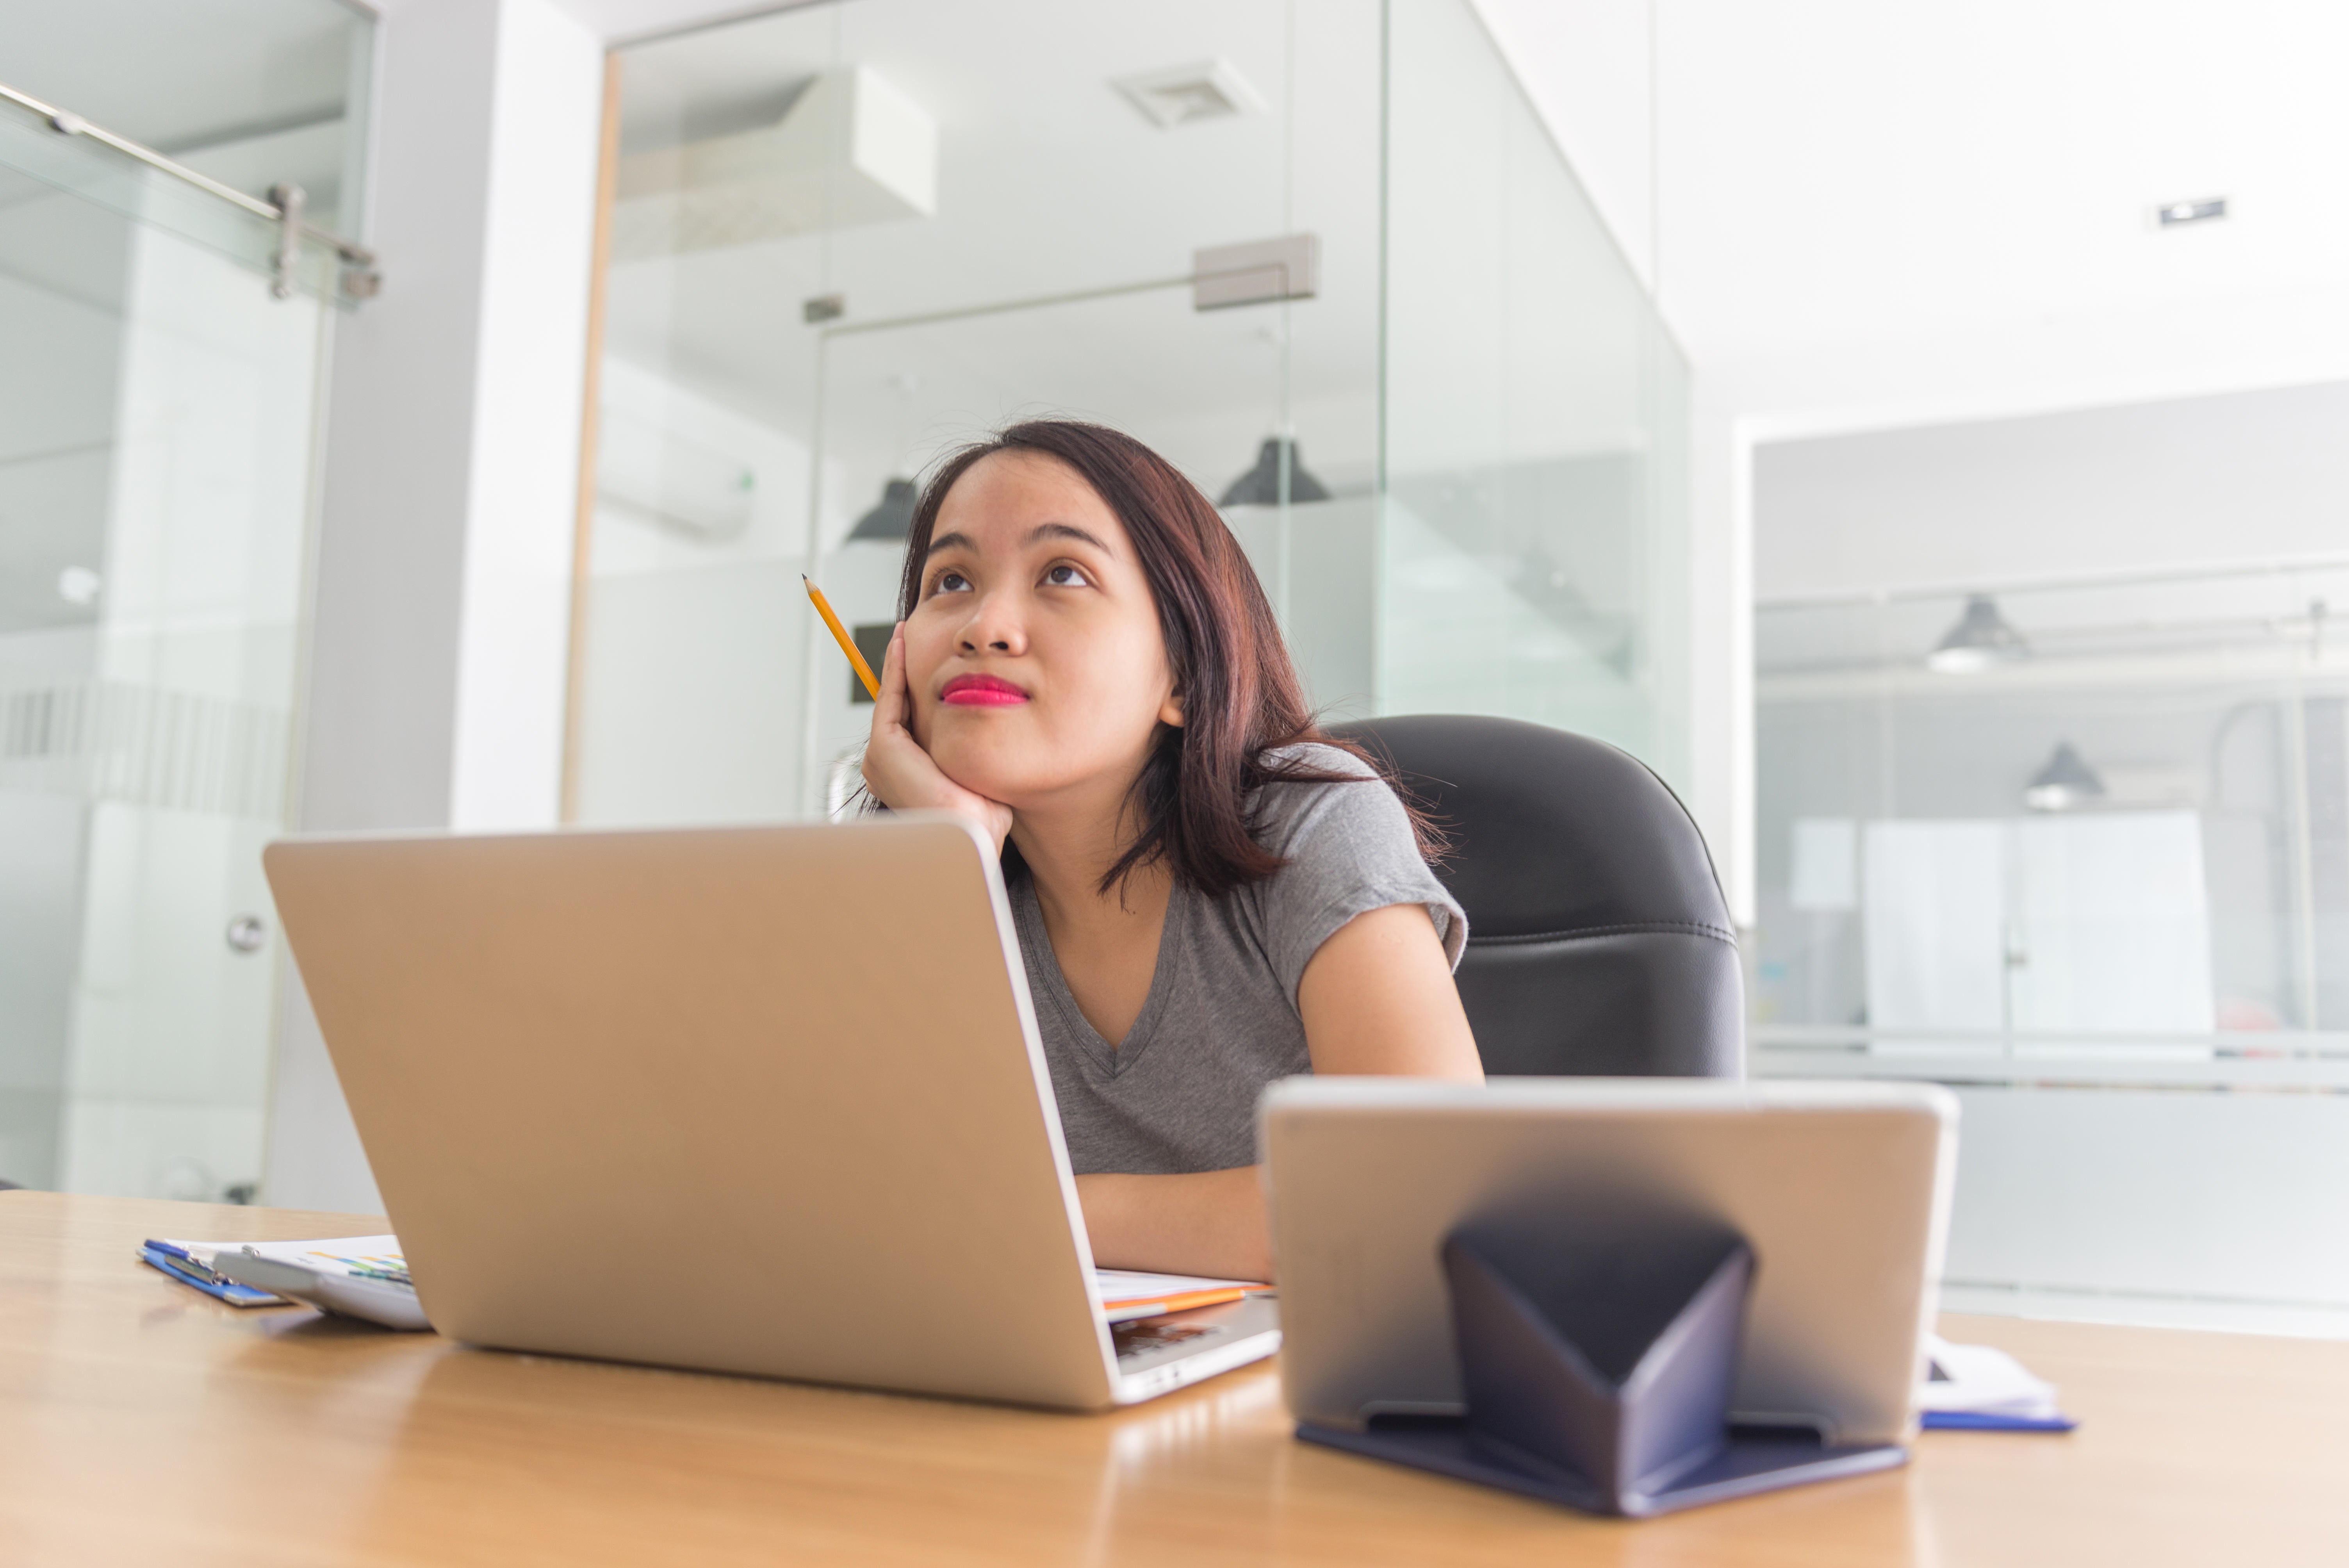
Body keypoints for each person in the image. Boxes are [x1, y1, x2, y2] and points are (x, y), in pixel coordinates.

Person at [859, 420, 1483, 1281]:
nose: (984, 625)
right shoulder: (911, 875)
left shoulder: (1312, 818)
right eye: (950, 580)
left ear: (1183, 677)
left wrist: (1043, 1210)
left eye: (1062, 574)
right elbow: (865, 1208)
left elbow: (1422, 1189)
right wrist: (949, 870)